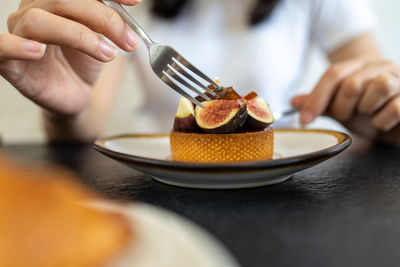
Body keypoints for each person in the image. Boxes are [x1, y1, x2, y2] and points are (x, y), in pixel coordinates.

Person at [0, 0, 399, 145]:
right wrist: (65, 110)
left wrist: (381, 111)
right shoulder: (125, 3)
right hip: (162, 186)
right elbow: (87, 117)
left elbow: (374, 84)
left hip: (285, 186)